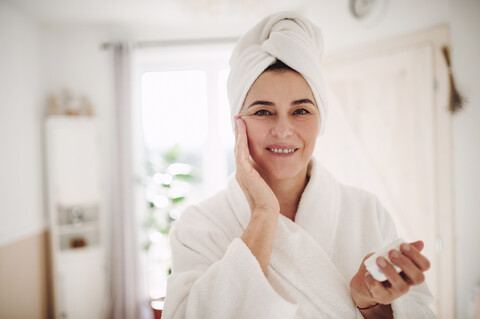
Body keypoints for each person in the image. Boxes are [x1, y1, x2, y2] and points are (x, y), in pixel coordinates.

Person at [163, 11, 436, 319]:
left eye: (301, 111)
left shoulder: (365, 210)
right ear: (237, 124)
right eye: (263, 112)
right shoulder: (200, 226)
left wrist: (369, 302)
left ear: (321, 120)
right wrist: (264, 216)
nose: (283, 130)